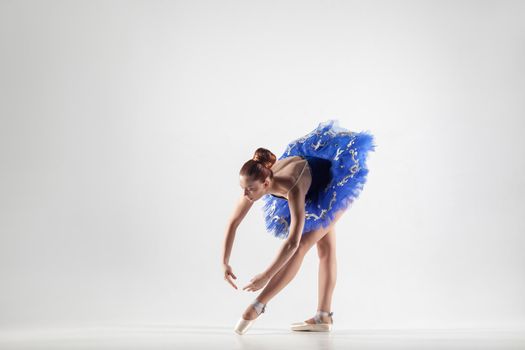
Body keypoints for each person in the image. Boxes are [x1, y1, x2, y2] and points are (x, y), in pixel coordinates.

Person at [221, 119, 376, 334]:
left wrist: (266, 275)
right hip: (311, 185)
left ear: (266, 185)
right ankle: (323, 316)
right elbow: (233, 222)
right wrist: (225, 261)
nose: (245, 195)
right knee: (326, 250)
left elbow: (293, 243)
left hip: (334, 184)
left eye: (249, 190)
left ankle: (257, 306)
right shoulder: (257, 182)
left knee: (304, 244)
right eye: (243, 188)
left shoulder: (291, 186)